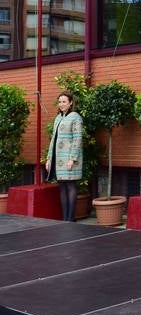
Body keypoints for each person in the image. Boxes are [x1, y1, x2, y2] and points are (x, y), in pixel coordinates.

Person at [46, 91, 84, 222]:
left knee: (71, 185)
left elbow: (78, 138)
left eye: (64, 102)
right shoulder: (58, 118)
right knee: (62, 186)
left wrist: (72, 158)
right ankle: (65, 218)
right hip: (58, 159)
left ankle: (71, 218)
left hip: (69, 158)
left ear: (71, 103)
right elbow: (53, 140)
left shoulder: (75, 117)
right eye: (60, 101)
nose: (61, 104)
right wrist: (49, 158)